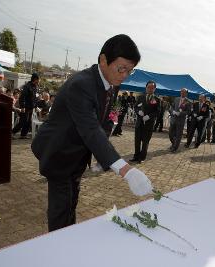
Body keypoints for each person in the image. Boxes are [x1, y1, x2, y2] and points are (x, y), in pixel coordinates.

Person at [31, 34, 153, 232]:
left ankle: (68, 236)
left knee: (72, 201)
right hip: (58, 152)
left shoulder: (111, 83)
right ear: (103, 60)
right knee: (61, 208)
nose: (124, 75)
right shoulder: (82, 84)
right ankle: (59, 248)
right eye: (121, 69)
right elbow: (90, 129)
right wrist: (124, 169)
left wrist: (101, 153)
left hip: (77, 154)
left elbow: (103, 120)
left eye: (129, 71)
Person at [130, 80, 161, 163]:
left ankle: (142, 158)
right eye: (148, 87)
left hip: (149, 124)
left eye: (152, 88)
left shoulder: (157, 99)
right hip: (139, 123)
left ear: (154, 89)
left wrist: (149, 116)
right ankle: (136, 156)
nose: (150, 89)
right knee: (137, 141)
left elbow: (158, 111)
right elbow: (136, 106)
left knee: (145, 142)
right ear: (146, 87)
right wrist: (138, 112)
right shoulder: (140, 97)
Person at [12, 73, 39, 139]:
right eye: (38, 79)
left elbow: (34, 98)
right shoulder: (27, 86)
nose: (39, 81)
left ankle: (23, 135)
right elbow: (22, 97)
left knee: (28, 121)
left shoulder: (35, 86)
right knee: (23, 121)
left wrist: (35, 106)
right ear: (35, 79)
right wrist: (22, 107)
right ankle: (12, 132)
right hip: (25, 107)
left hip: (31, 107)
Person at [169, 88, 191, 152]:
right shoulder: (176, 99)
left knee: (178, 135)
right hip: (173, 119)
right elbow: (171, 107)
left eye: (184, 92)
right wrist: (172, 111)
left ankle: (175, 148)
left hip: (181, 120)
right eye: (181, 92)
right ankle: (174, 144)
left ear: (186, 93)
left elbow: (189, 112)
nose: (182, 93)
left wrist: (181, 113)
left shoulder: (188, 101)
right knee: (170, 134)